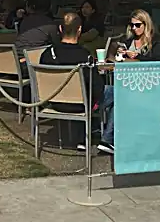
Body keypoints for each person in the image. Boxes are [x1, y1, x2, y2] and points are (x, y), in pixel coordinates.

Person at [39, 13, 113, 154]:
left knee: (85, 91)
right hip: (80, 104)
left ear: (60, 29)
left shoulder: (47, 53)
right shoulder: (84, 56)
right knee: (116, 92)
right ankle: (107, 139)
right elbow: (97, 88)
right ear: (79, 30)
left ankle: (86, 134)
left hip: (54, 102)